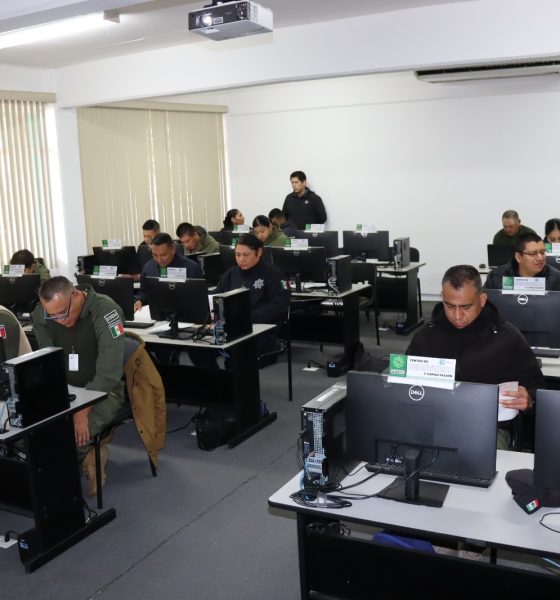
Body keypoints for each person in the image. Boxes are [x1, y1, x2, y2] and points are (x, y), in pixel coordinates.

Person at [406, 265, 544, 450]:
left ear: (482, 300)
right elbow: (404, 387)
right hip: (433, 422)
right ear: (442, 298)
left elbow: (537, 388)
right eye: (450, 306)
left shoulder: (507, 337)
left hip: (489, 428)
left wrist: (529, 400)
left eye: (466, 307)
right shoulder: (425, 336)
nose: (457, 316)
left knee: (477, 457)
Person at [32, 276, 126, 494]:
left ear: (75, 295)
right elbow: (48, 361)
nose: (58, 320)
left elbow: (108, 374)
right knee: (34, 432)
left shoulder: (107, 311)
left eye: (63, 313)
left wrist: (81, 411)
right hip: (65, 389)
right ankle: (86, 459)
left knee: (72, 437)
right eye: (52, 315)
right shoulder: (42, 313)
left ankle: (60, 494)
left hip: (104, 391)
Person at [215, 232, 291, 355]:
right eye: (238, 255)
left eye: (246, 255)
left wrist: (246, 318)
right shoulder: (230, 274)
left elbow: (279, 306)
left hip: (262, 331)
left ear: (259, 252)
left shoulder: (274, 275)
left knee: (238, 349)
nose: (241, 259)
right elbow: (216, 298)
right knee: (200, 349)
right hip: (231, 328)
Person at [134, 232, 203, 312]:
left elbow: (200, 299)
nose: (159, 260)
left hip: (186, 313)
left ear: (173, 250)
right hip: (158, 314)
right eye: (155, 255)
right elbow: (144, 292)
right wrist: (139, 300)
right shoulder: (148, 268)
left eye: (163, 255)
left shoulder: (191, 268)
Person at [484, 233, 560, 290]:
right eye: (533, 253)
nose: (540, 258)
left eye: (542, 252)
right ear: (518, 257)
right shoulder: (497, 276)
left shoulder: (556, 278)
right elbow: (484, 303)